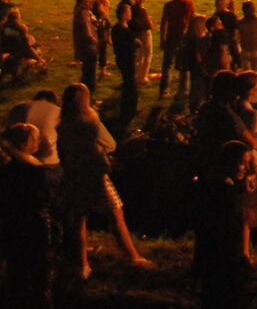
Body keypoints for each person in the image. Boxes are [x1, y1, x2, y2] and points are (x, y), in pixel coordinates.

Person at [55, 81, 150, 278]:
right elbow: (111, 144)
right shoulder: (90, 121)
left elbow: (63, 149)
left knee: (79, 218)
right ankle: (132, 256)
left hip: (75, 172)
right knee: (116, 215)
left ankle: (83, 265)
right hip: (96, 172)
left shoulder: (63, 123)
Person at [191, 140, 257, 309]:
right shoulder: (225, 192)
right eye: (243, 163)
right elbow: (232, 226)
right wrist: (243, 255)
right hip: (225, 260)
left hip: (209, 257)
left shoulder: (209, 185)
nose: (246, 168)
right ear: (230, 162)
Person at [0, 121, 58, 309]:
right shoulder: (33, 168)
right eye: (36, 138)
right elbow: (46, 198)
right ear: (26, 142)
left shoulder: (8, 165)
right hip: (33, 224)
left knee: (16, 269)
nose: (40, 142)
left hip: (11, 223)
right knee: (39, 270)